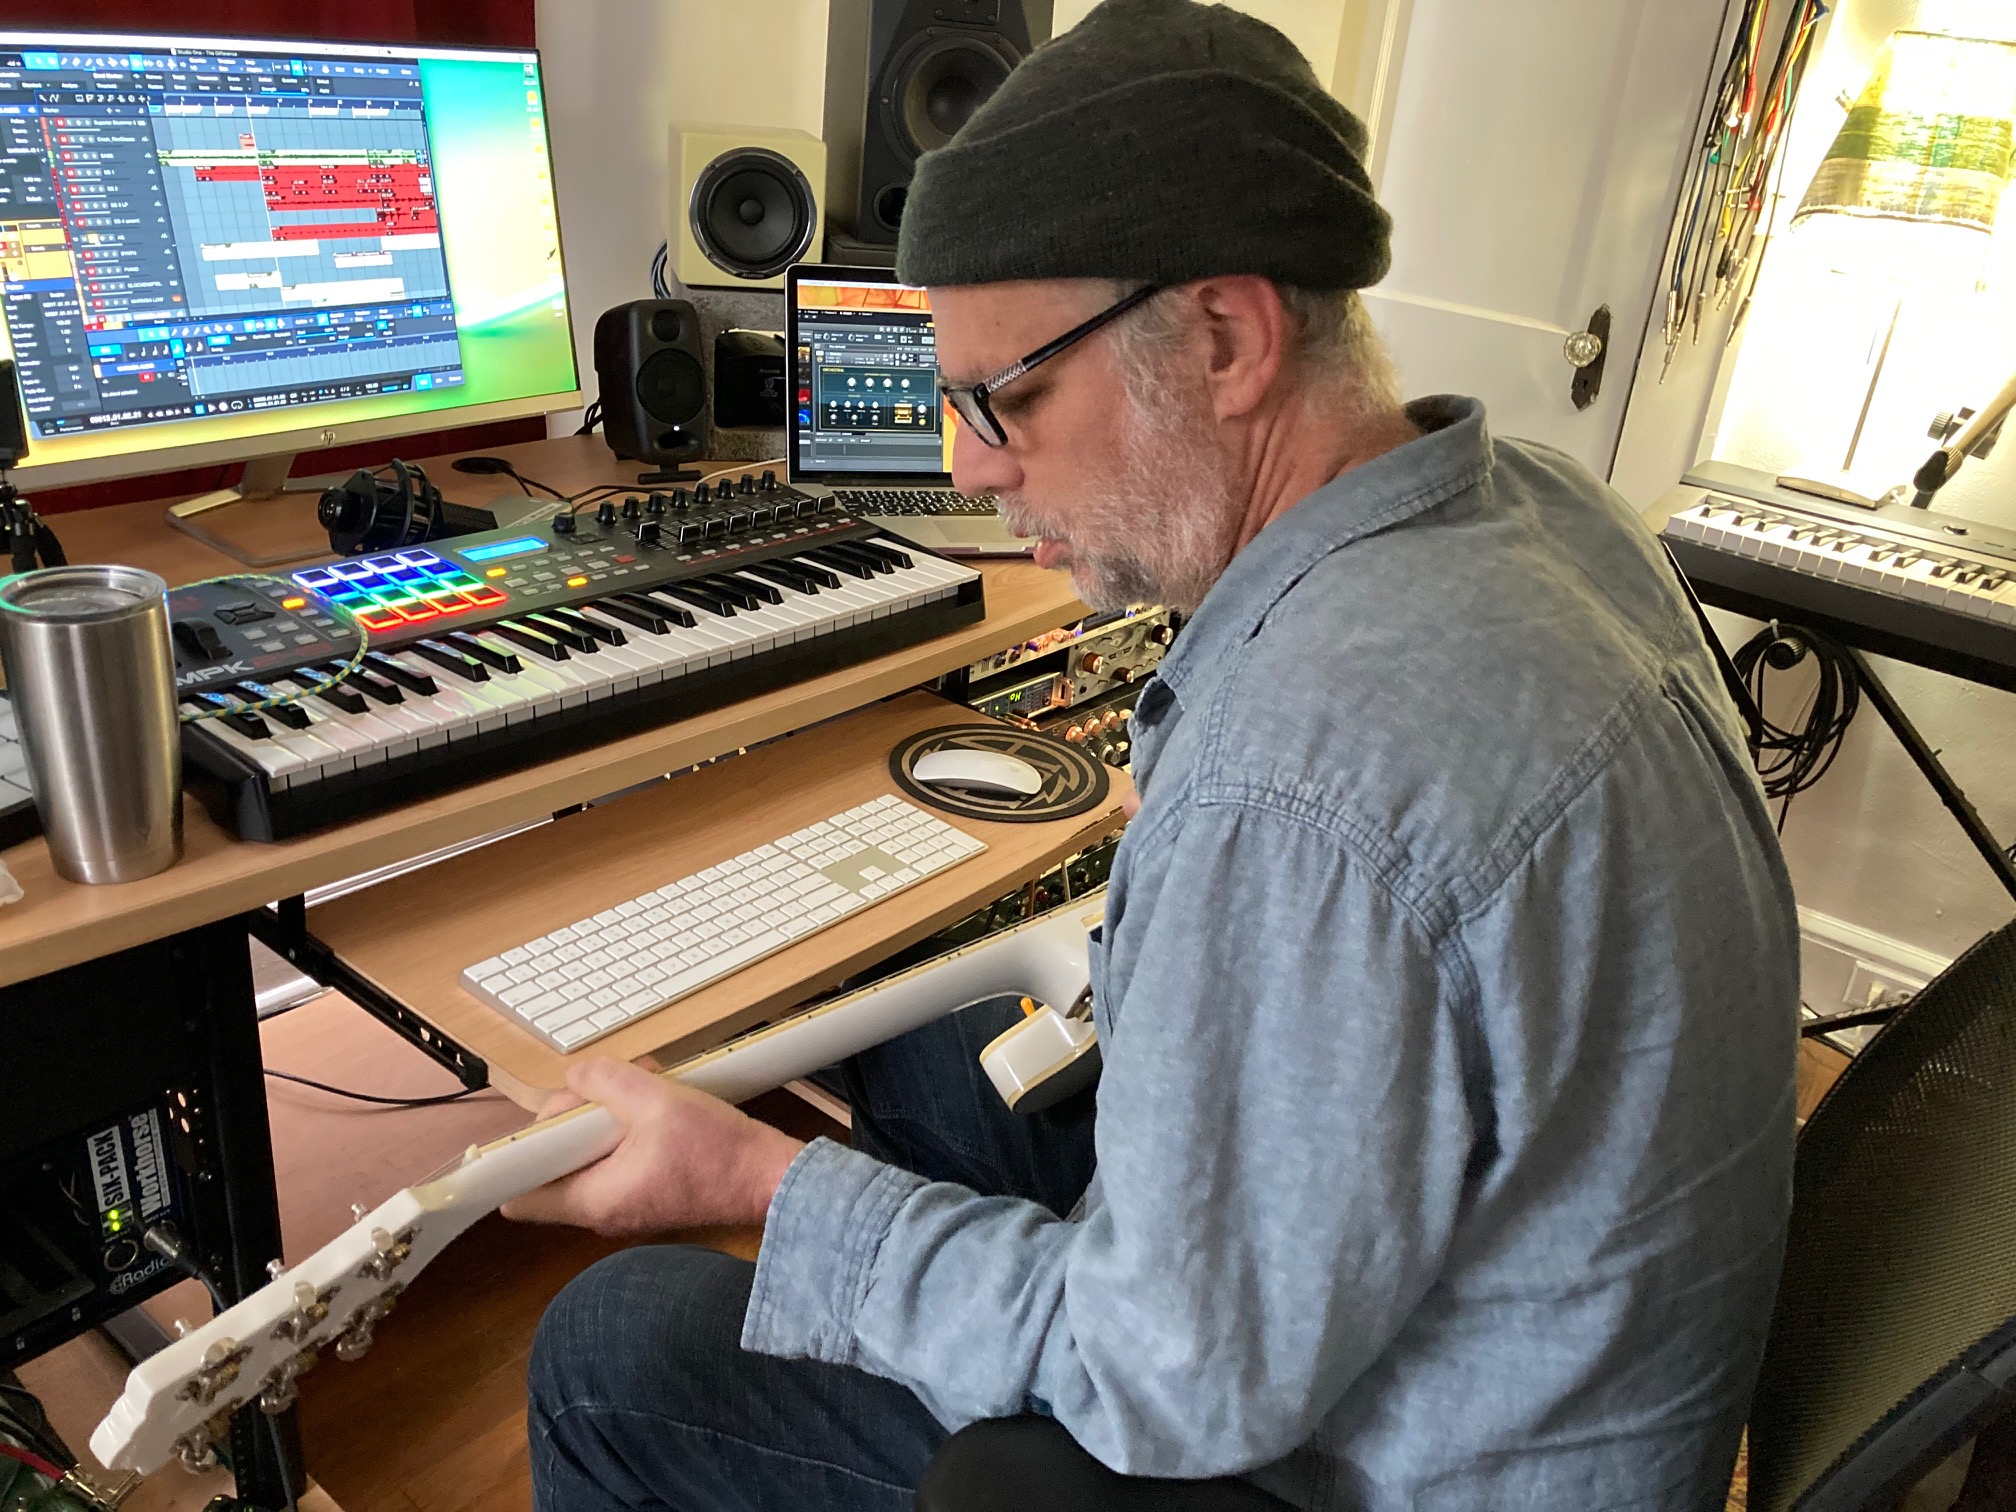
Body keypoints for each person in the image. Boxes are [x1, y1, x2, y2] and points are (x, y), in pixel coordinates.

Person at [510, 2, 1800, 1507]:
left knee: (610, 1348)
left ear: (1227, 338)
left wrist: (755, 1180)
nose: (968, 464)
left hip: (1378, 1465)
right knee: (927, 1047)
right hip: (1519, 1350)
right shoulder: (1555, 510)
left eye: (1009, 398)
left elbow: (1172, 1380)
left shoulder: (1300, 784)